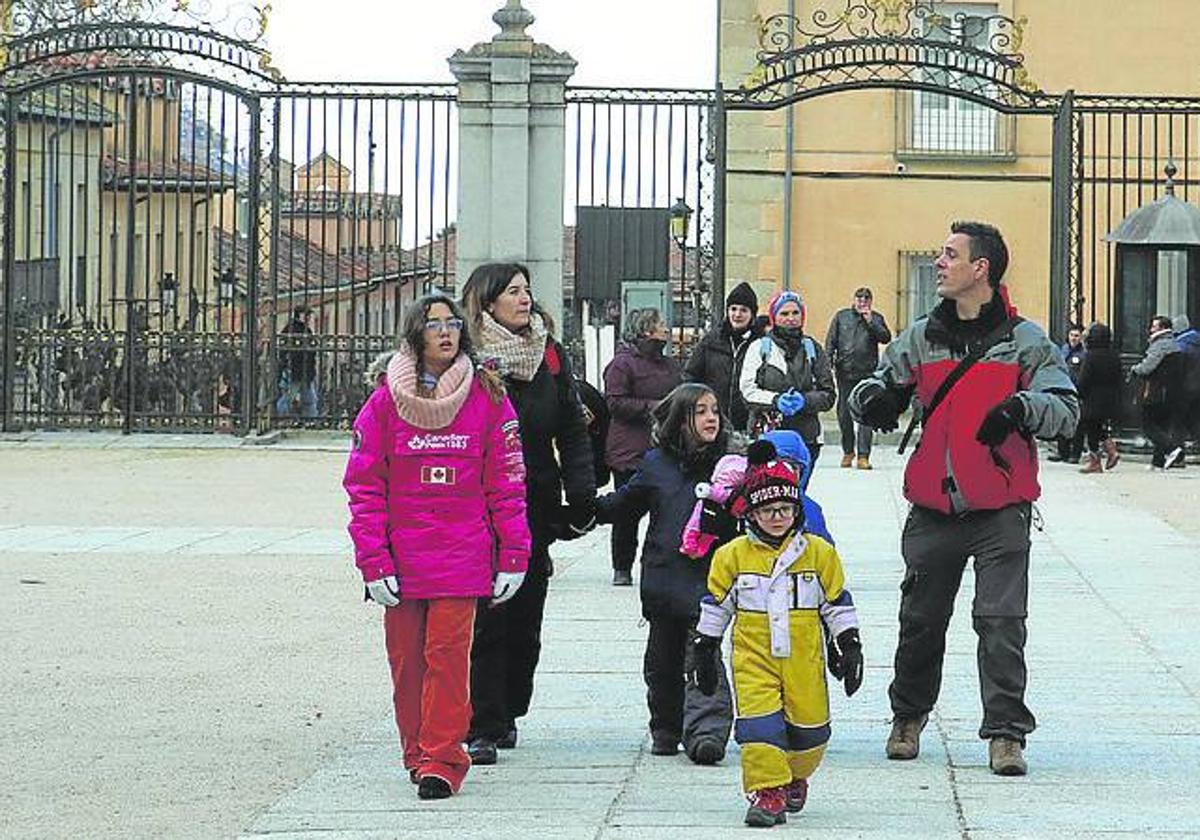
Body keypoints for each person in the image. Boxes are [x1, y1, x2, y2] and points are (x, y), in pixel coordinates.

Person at [849, 221, 1078, 776]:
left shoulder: (1027, 341)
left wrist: (1024, 409)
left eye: (950, 255)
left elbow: (1066, 409)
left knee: (1001, 620)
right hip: (933, 506)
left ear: (983, 269)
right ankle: (908, 716)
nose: (940, 263)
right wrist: (875, 399)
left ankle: (1005, 733)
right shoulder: (920, 336)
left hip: (1000, 506)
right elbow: (868, 387)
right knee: (921, 619)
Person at [343, 293, 530, 800]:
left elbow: (508, 482)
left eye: (452, 324)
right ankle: (416, 751)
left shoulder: (488, 397)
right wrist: (372, 560)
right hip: (401, 557)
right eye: (433, 325)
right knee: (407, 663)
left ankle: (443, 759)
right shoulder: (383, 403)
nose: (445, 332)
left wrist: (514, 553)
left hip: (462, 554)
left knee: (448, 660)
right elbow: (364, 486)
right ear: (415, 335)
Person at [459, 262, 597, 765]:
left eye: (526, 290)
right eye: (513, 291)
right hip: (476, 503)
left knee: (526, 612)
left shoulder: (549, 355)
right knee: (486, 614)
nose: (525, 298)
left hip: (534, 497)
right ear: (487, 301)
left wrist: (581, 493)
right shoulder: (466, 355)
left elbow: (572, 428)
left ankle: (510, 705)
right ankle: (483, 721)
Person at [689, 440, 862, 827]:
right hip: (754, 655)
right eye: (767, 511)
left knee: (811, 732)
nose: (777, 517)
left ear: (796, 510)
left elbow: (836, 602)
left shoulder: (818, 554)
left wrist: (848, 644)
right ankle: (767, 792)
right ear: (752, 514)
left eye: (785, 509)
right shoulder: (732, 556)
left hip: (804, 657)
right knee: (758, 727)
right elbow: (716, 604)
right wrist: (704, 646)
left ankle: (795, 774)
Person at [595, 383, 735, 765]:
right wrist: (577, 513)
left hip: (709, 581)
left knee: (703, 658)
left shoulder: (730, 465)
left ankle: (706, 732)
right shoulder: (656, 464)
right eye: (701, 411)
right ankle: (666, 728)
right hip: (662, 581)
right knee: (661, 663)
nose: (711, 418)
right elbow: (623, 505)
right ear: (679, 421)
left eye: (715, 410)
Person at [604, 308, 681, 586]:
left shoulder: (670, 365)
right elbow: (614, 402)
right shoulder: (622, 364)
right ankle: (621, 567)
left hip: (664, 448)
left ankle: (658, 563)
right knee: (626, 512)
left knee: (666, 510)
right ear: (646, 330)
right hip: (629, 450)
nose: (666, 328)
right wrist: (656, 408)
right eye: (661, 324)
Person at [739, 289, 836, 472]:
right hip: (766, 439)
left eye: (795, 313)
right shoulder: (759, 348)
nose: (790, 318)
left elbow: (829, 394)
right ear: (774, 317)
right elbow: (747, 391)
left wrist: (804, 400)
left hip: (806, 438)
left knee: (798, 495)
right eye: (784, 313)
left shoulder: (812, 349)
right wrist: (776, 401)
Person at [825, 286, 892, 469]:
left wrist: (870, 321)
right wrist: (827, 363)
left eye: (866, 299)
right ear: (854, 299)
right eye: (859, 298)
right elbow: (831, 341)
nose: (862, 301)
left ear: (870, 301)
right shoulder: (841, 316)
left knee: (866, 414)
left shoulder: (876, 318)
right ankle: (848, 451)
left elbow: (886, 337)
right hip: (844, 372)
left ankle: (864, 456)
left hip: (867, 373)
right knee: (844, 414)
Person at [684, 281, 763, 431]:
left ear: (752, 314)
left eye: (744, 310)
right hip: (714, 420)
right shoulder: (710, 341)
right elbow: (690, 375)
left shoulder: (761, 344)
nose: (737, 314)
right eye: (733, 309)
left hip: (749, 422)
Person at [1131, 315, 1185, 470]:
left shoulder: (1160, 345)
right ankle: (1157, 461)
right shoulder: (1175, 344)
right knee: (1161, 425)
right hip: (1171, 392)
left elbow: (1148, 367)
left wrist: (1135, 369)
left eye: (1154, 327)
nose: (1150, 329)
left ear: (1161, 328)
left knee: (1148, 426)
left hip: (1156, 390)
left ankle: (1172, 449)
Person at [1076, 322, 1123, 473]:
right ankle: (1110, 450)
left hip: (1092, 397)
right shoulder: (1114, 355)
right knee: (1098, 425)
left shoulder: (1091, 356)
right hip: (1111, 397)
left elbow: (1084, 379)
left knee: (1090, 428)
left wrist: (1079, 393)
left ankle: (1095, 461)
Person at [1048, 324, 1087, 463]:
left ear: (1081, 337)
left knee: (1077, 424)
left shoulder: (1084, 354)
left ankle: (1075, 453)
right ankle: (1062, 451)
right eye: (1071, 335)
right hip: (1061, 388)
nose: (1073, 338)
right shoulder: (1062, 350)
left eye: (1076, 336)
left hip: (1076, 391)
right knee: (1061, 420)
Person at [276, 306, 319, 419]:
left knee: (309, 399)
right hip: (295, 370)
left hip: (304, 371)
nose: (309, 318)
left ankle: (310, 420)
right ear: (299, 315)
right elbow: (283, 350)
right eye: (306, 315)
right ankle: (281, 418)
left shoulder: (304, 330)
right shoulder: (292, 329)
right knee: (288, 398)